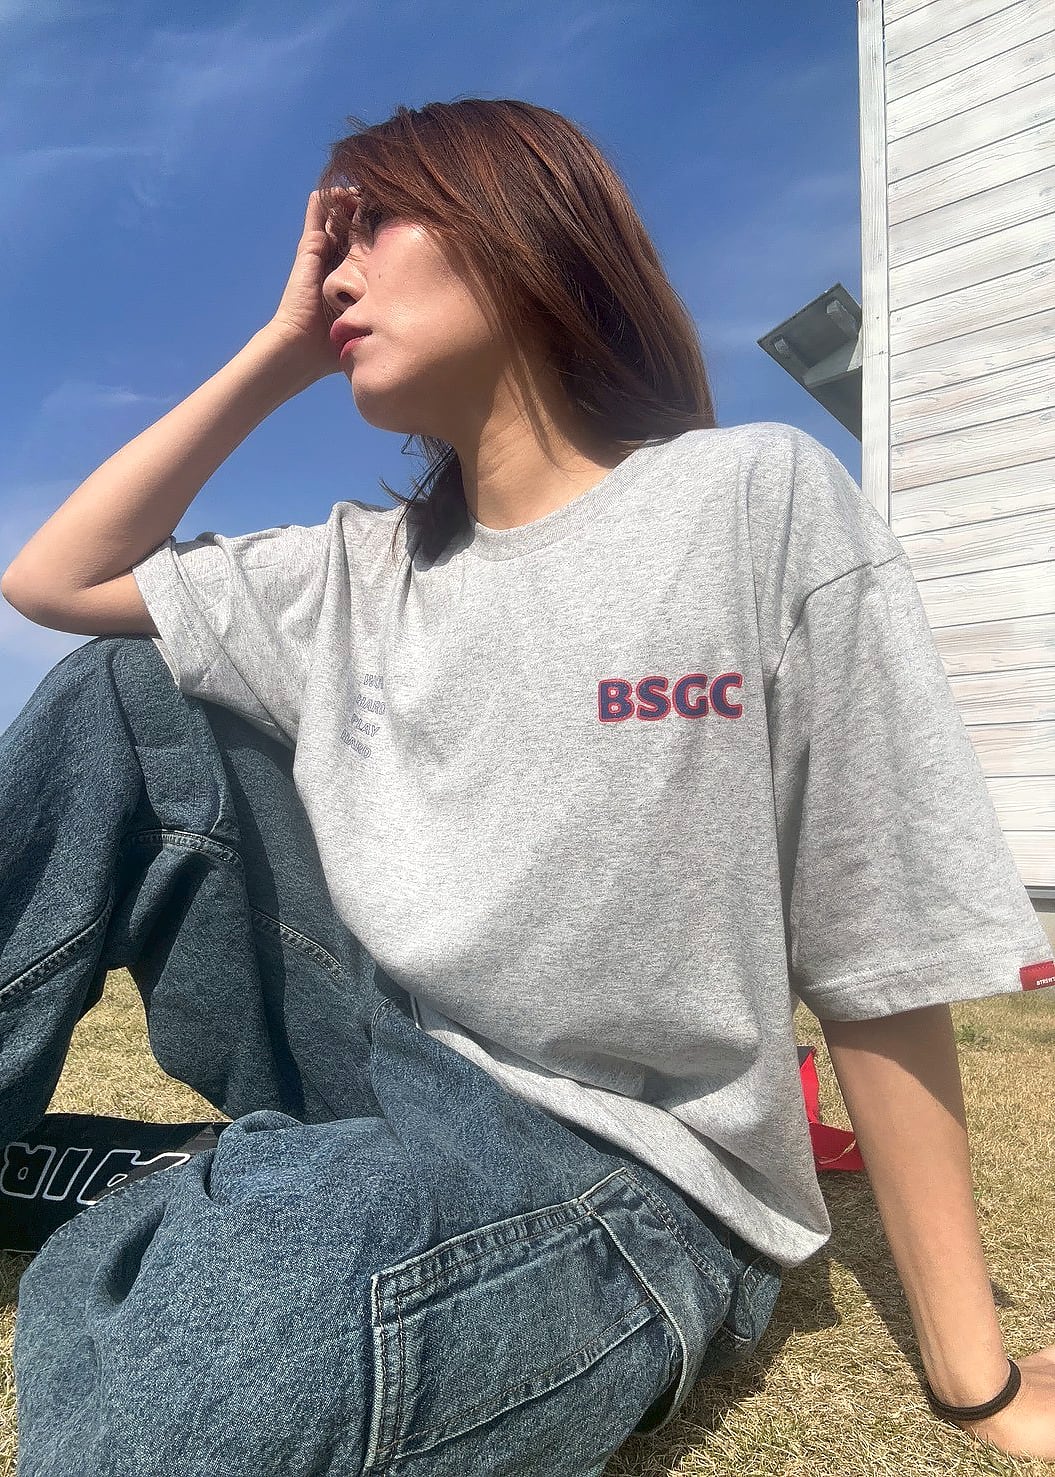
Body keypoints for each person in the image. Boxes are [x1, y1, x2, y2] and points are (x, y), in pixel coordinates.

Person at [1, 96, 1053, 1474]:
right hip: (377, 1050)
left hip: (619, 1159)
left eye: (374, 222)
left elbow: (880, 938)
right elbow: (54, 581)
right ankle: (247, 1188)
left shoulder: (751, 502)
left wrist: (978, 1381)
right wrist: (279, 352)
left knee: (235, 1345)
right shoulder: (357, 567)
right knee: (125, 694)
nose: (334, 272)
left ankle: (227, 1198)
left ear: (521, 224)